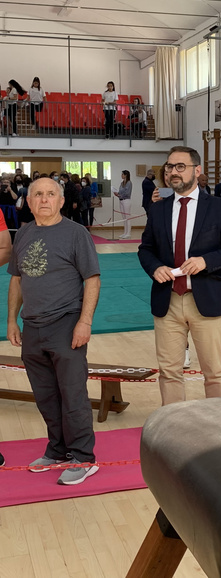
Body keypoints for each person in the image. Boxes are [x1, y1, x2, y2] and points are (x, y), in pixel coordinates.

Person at [7, 177, 101, 485]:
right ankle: (58, 450)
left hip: (66, 323)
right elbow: (17, 280)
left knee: (72, 394)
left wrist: (85, 322)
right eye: (38, 194)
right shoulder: (23, 233)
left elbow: (92, 280)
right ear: (28, 201)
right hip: (32, 326)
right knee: (46, 395)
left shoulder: (76, 234)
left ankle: (83, 457)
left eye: (50, 194)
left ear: (61, 201)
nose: (44, 199)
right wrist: (12, 320)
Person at [138, 146, 221, 405]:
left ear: (197, 170)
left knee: (214, 372)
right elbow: (146, 249)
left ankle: (219, 425)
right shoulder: (159, 210)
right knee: (169, 372)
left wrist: (206, 261)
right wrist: (155, 268)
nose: (173, 172)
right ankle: (175, 427)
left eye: (180, 167)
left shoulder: (219, 208)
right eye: (169, 167)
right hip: (168, 300)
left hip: (206, 298)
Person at [114, 170, 133, 239]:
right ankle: (125, 232)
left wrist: (120, 195)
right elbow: (120, 191)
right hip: (121, 200)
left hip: (126, 200)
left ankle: (128, 233)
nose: (121, 175)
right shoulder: (122, 183)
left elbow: (127, 193)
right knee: (124, 218)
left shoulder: (129, 183)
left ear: (126, 175)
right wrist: (117, 193)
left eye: (122, 174)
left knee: (127, 217)